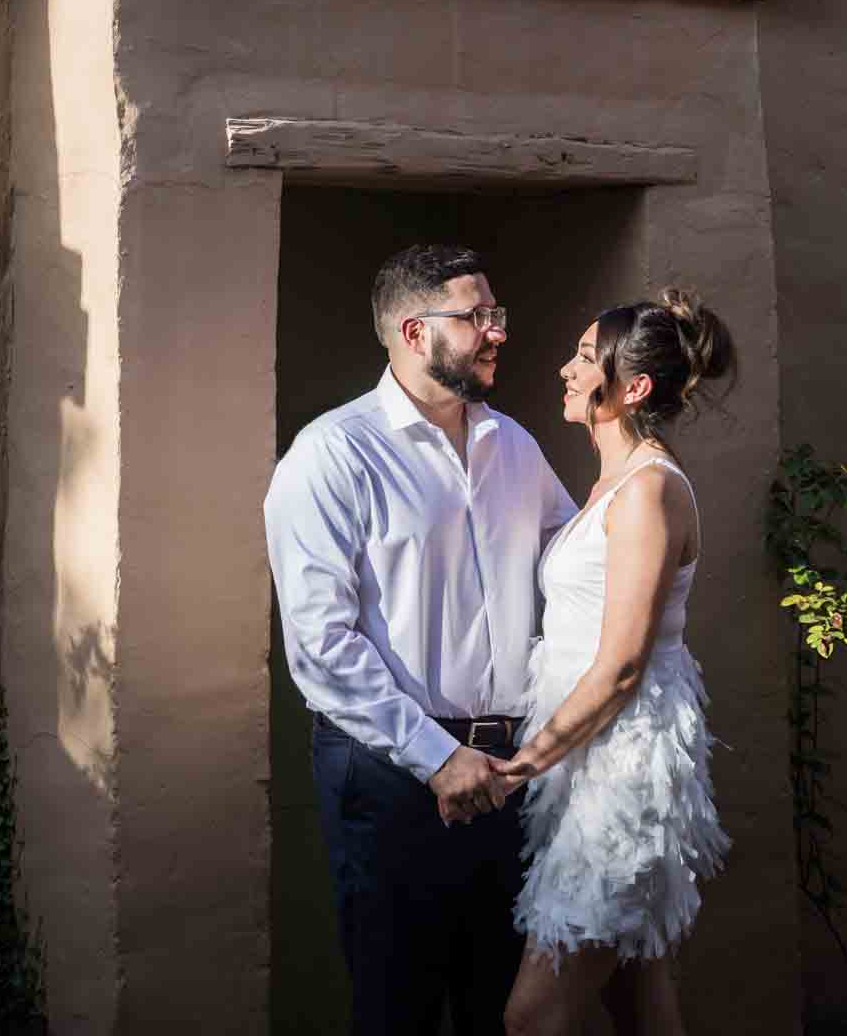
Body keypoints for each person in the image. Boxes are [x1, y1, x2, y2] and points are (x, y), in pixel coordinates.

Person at [264, 243, 575, 1036]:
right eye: (476, 317)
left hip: (510, 771)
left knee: (498, 1008)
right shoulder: (333, 454)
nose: (497, 331)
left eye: (495, 313)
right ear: (412, 331)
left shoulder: (514, 446)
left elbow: (574, 580)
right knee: (396, 1007)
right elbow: (320, 645)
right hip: (389, 776)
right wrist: (437, 757)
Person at [495, 289, 735, 1036]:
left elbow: (622, 666)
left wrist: (514, 769)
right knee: (637, 996)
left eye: (581, 356)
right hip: (583, 762)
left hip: (622, 770)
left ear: (631, 389)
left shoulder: (648, 492)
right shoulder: (613, 484)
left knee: (531, 1019)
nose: (565, 369)